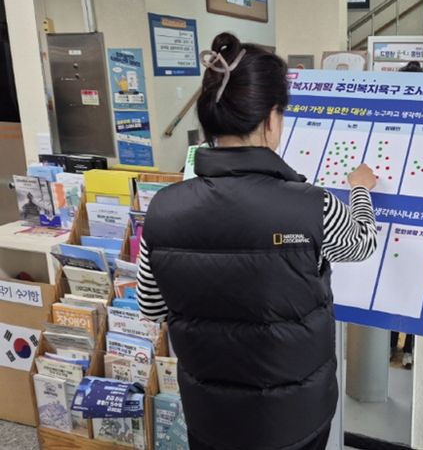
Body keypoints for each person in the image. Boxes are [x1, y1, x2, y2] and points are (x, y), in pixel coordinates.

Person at [136, 33, 379, 450]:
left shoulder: (163, 208)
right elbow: (362, 242)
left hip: (210, 416)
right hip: (295, 419)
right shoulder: (312, 206)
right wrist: (360, 189)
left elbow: (152, 306)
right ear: (270, 119)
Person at [387, 61, 422, 370]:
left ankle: (398, 347)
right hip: (411, 220)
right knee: (406, 288)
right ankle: (404, 348)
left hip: (401, 220)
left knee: (401, 287)